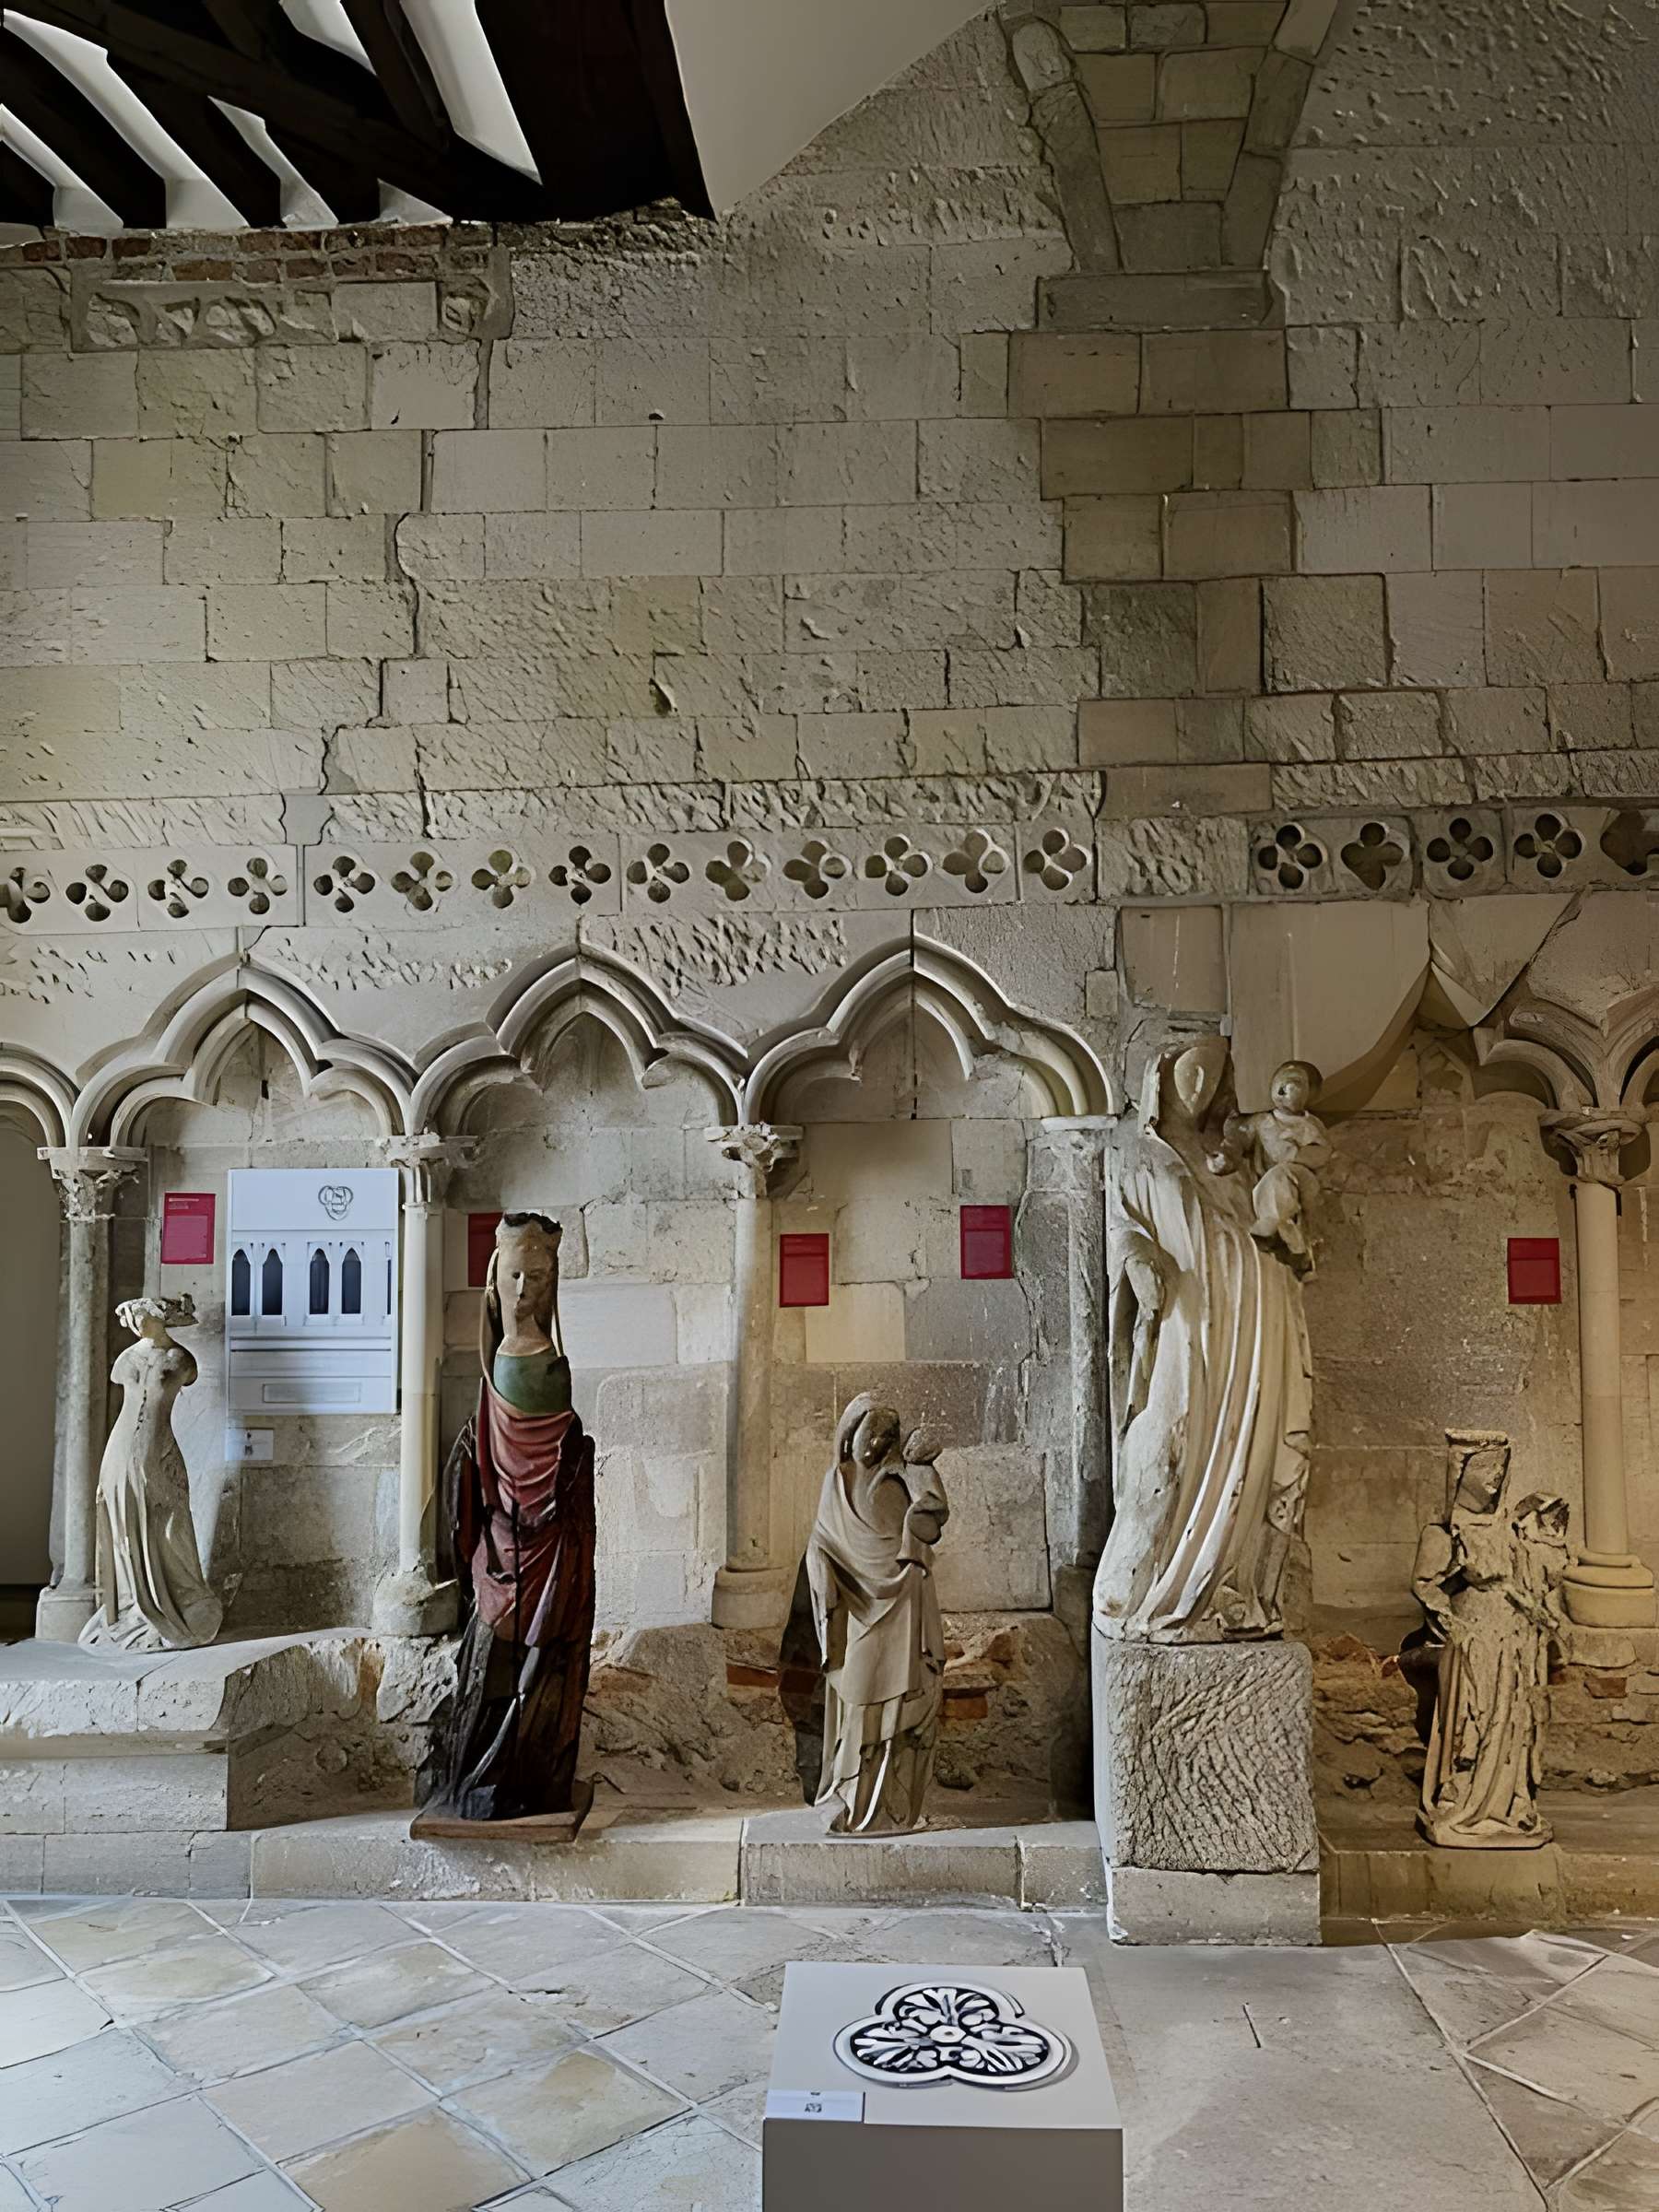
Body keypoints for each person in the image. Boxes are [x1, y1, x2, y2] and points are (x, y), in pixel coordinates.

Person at [1093, 1038, 1314, 1643]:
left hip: (1255, 1321)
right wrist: (1135, 1257)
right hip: (1186, 1320)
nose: (1198, 1088)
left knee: (1253, 1447)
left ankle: (1227, 1589)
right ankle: (1140, 1591)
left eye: (1211, 1078)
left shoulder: (1233, 1156)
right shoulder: (1134, 1152)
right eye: (1189, 1074)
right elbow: (1121, 1224)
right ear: (1160, 1079)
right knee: (1166, 1445)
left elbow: (1274, 1216)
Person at [437, 1212, 595, 1823]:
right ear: (495, 1280)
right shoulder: (504, 1361)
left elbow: (558, 1460)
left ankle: (526, 1775)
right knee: (493, 1661)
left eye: (538, 1276)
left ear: (553, 1284)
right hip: (504, 1543)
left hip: (549, 1545)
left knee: (542, 1660)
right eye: (514, 1275)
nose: (524, 1288)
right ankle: (484, 1777)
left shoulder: (547, 1364)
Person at [807, 1395, 949, 1835]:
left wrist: (920, 1471)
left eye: (887, 1436)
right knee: (859, 1698)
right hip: (859, 1606)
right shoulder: (837, 1483)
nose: (876, 1444)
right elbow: (822, 1540)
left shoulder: (903, 1478)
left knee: (904, 1701)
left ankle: (893, 1806)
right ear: (850, 1435)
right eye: (870, 1433)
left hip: (905, 1598)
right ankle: (852, 1798)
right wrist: (822, 1573)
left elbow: (930, 1519)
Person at [81, 1298, 223, 1653]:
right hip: (120, 1446)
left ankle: (177, 1599)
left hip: (157, 1446)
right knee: (123, 1524)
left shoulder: (180, 1359)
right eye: (131, 1318)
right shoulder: (126, 1359)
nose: (135, 1324)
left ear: (159, 1318)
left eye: (141, 1316)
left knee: (171, 1525)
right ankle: (133, 1601)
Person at [1222, 1060, 1331, 1272]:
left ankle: (1268, 1228)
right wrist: (1226, 1156)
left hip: (1302, 1180)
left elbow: (1322, 1154)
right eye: (1280, 1082)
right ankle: (1297, 1252)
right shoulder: (1262, 1122)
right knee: (1280, 1197)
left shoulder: (1310, 1125)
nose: (1284, 1088)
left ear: (1309, 1094)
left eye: (1295, 1082)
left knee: (1281, 1176)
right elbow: (1239, 1139)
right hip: (1269, 1187)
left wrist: (1295, 1154)